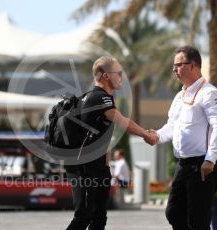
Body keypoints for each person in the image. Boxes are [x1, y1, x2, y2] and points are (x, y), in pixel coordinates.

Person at [66, 56, 157, 230]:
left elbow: (98, 133)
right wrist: (147, 134)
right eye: (119, 73)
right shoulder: (99, 98)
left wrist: (105, 164)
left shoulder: (94, 98)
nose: (121, 77)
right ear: (106, 76)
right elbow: (124, 122)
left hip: (97, 166)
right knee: (83, 217)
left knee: (99, 217)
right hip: (84, 168)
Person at [150, 45, 217, 230]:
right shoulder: (179, 96)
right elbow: (172, 126)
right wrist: (156, 136)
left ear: (193, 65)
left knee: (198, 219)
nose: (174, 70)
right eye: (174, 65)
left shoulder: (209, 93)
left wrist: (210, 159)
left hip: (203, 165)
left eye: (178, 65)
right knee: (174, 212)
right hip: (183, 164)